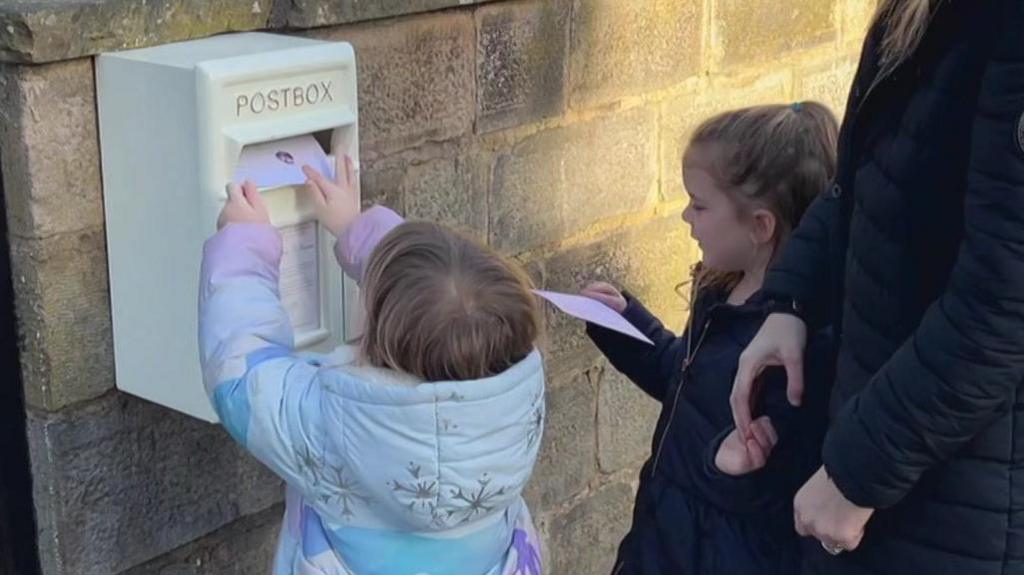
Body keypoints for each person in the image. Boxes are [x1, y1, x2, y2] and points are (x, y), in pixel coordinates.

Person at [729, 1, 1024, 573]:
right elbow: (867, 178)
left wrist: (857, 474)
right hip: (889, 453)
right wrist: (792, 298)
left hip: (960, 503)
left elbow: (1002, 309)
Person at [198, 156, 545, 574]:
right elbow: (437, 303)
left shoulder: (326, 427)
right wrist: (357, 230)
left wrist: (244, 245)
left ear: (379, 337)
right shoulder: (516, 414)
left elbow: (241, 371)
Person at [582, 103, 838, 574]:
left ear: (760, 225)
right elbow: (685, 380)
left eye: (699, 204)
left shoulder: (800, 348)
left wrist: (729, 468)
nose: (685, 216)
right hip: (660, 537)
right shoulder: (721, 288)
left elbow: (791, 489)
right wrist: (625, 324)